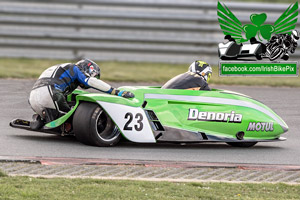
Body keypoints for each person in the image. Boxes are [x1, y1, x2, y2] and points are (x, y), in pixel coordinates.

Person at [29, 59, 134, 130]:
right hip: (51, 94)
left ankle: (41, 117)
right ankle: (65, 125)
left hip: (32, 98)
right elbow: (90, 81)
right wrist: (115, 92)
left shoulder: (62, 67)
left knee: (66, 99)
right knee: (72, 116)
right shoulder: (75, 68)